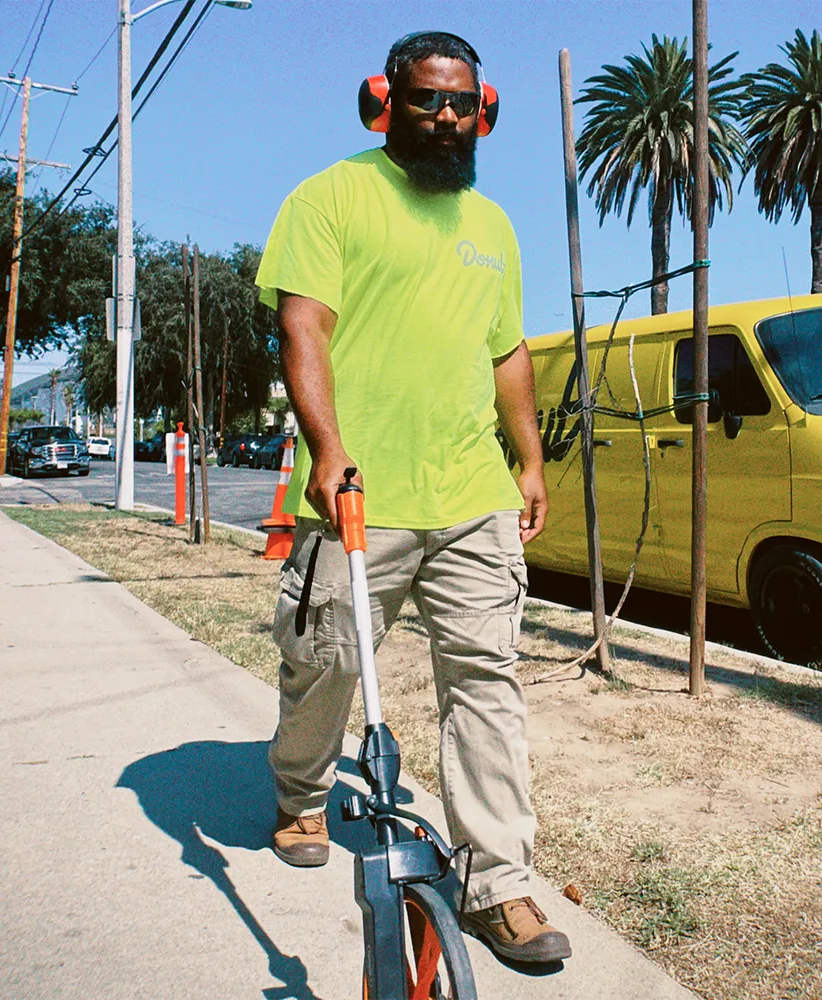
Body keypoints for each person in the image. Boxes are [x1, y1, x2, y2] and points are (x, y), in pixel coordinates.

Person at [254, 31, 571, 965]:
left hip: (471, 496)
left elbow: (506, 352)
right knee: (329, 663)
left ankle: (498, 882)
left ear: (485, 110)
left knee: (486, 682)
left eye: (461, 103)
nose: (446, 117)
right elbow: (302, 326)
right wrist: (328, 447)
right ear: (386, 101)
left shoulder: (495, 227)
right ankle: (301, 792)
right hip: (363, 491)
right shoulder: (332, 196)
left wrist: (530, 460)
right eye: (428, 99)